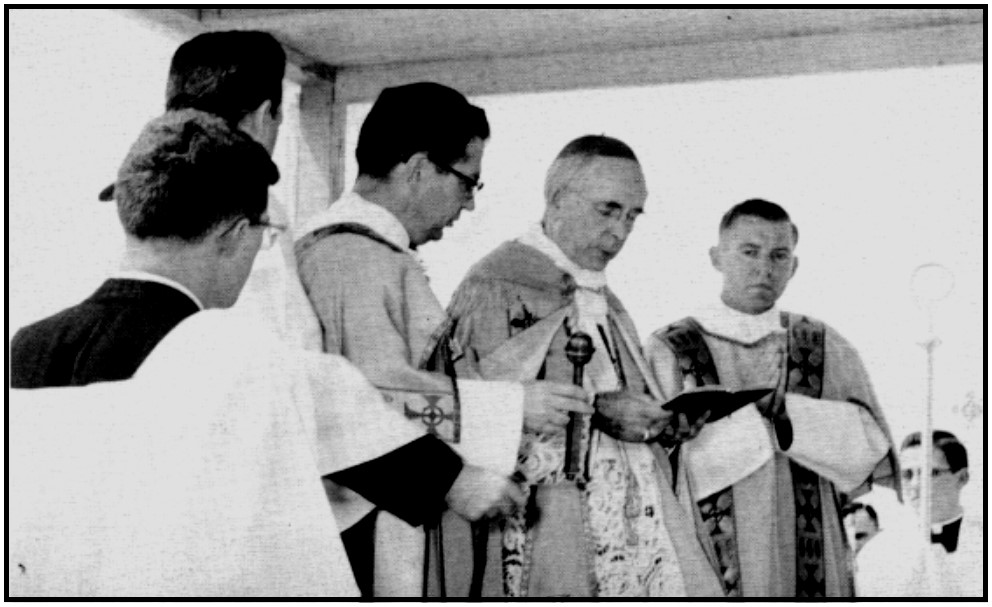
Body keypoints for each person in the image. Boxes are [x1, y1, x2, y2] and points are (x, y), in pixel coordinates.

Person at [8, 109, 522, 595]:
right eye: (265, 234)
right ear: (236, 235)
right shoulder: (238, 358)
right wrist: (459, 480)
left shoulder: (27, 348)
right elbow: (348, 421)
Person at [294, 82, 591, 597]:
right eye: (466, 183)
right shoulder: (350, 256)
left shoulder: (369, 253)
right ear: (416, 168)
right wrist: (509, 408)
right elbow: (367, 399)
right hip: (358, 521)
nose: (469, 206)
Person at [445, 135, 724, 597]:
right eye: (608, 210)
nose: (620, 232)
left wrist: (661, 425)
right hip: (543, 522)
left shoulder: (604, 298)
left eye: (632, 216)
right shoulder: (497, 285)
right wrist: (596, 411)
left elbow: (627, 406)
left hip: (629, 527)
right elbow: (470, 414)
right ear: (556, 200)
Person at [644, 198, 898, 597]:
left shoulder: (823, 344)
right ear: (716, 257)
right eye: (749, 252)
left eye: (779, 255)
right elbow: (648, 466)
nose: (764, 268)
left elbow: (871, 446)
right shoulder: (670, 348)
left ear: (793, 266)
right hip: (707, 553)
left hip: (813, 559)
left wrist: (789, 419)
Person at [856, 430, 982, 597]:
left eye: (932, 473)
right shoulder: (876, 552)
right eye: (907, 475)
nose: (916, 484)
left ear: (961, 478)